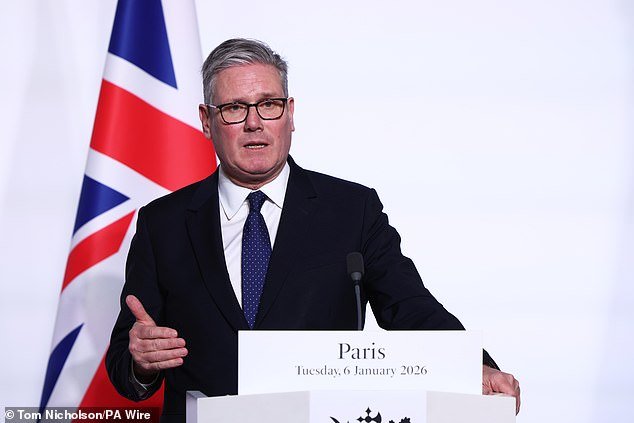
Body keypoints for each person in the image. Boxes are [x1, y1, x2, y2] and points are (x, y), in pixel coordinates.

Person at [106, 38, 520, 423]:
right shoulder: (163, 223)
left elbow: (411, 309)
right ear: (206, 120)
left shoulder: (352, 210)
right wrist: (141, 361)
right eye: (234, 108)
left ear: (290, 113)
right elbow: (126, 362)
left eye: (268, 104)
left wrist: (475, 367)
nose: (254, 123)